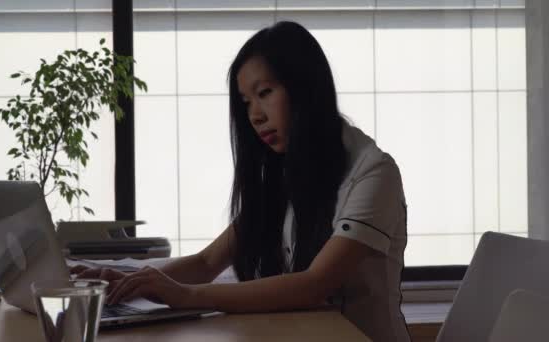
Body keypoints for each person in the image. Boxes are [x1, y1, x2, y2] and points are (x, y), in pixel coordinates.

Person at [73, 21, 409, 341]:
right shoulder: (281, 172)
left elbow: (315, 284)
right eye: (247, 103)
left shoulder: (373, 173)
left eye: (264, 93)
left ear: (306, 88)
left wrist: (186, 296)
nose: (255, 116)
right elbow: (206, 262)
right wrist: (131, 283)